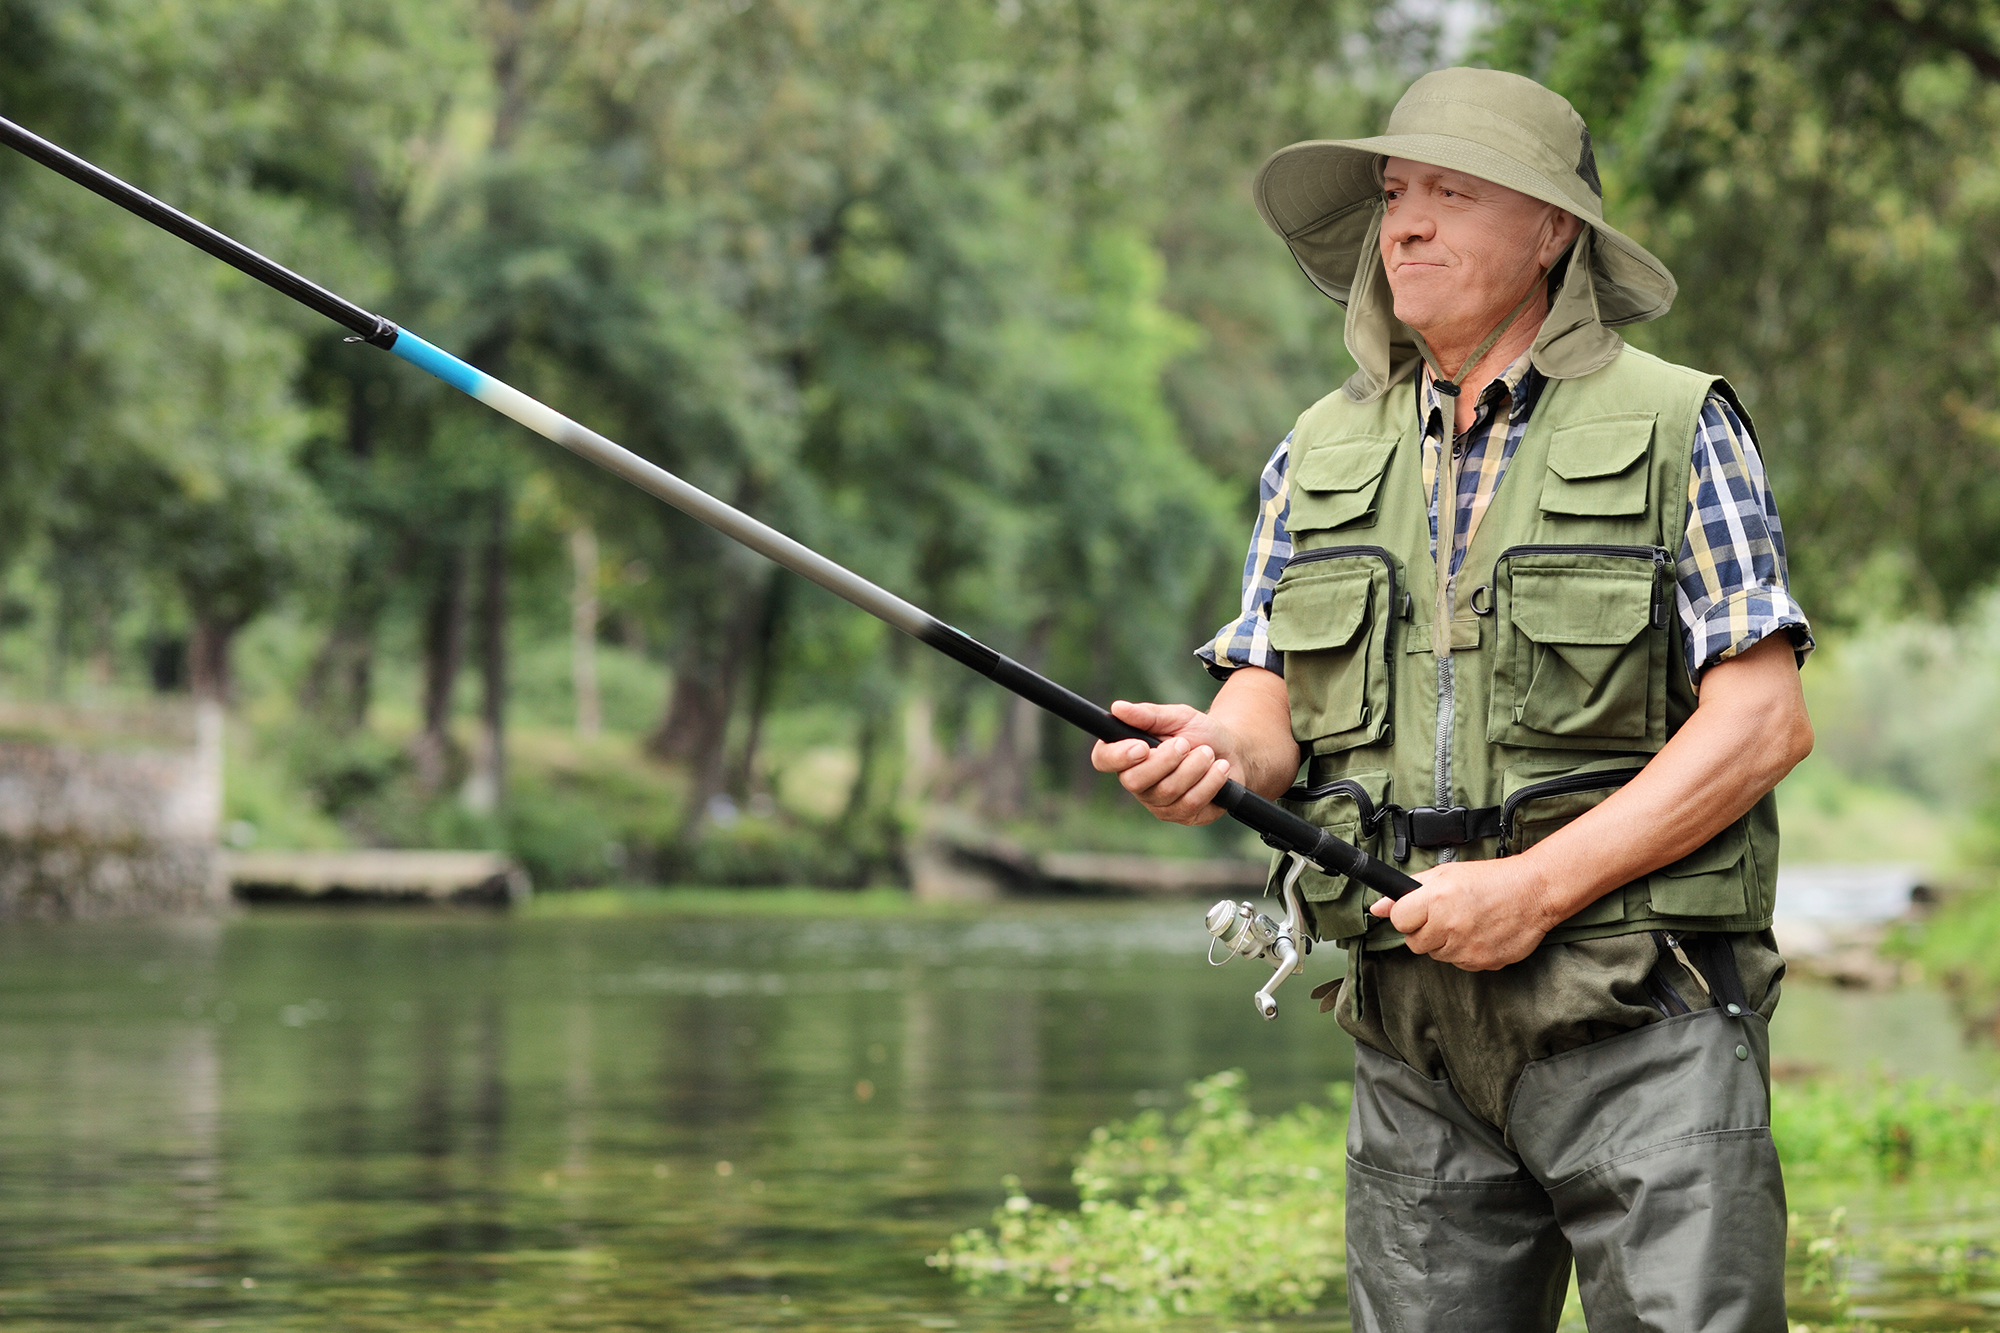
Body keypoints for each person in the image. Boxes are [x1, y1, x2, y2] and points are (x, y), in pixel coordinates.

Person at [1092, 68, 1813, 1332]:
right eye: (1391, 194)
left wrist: (1529, 889)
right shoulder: (1313, 449)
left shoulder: (1676, 424)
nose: (1404, 223)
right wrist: (1214, 753)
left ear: (1550, 233)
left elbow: (1759, 722)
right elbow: (1270, 706)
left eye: (1450, 192)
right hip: (1411, 1035)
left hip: (1640, 1007)